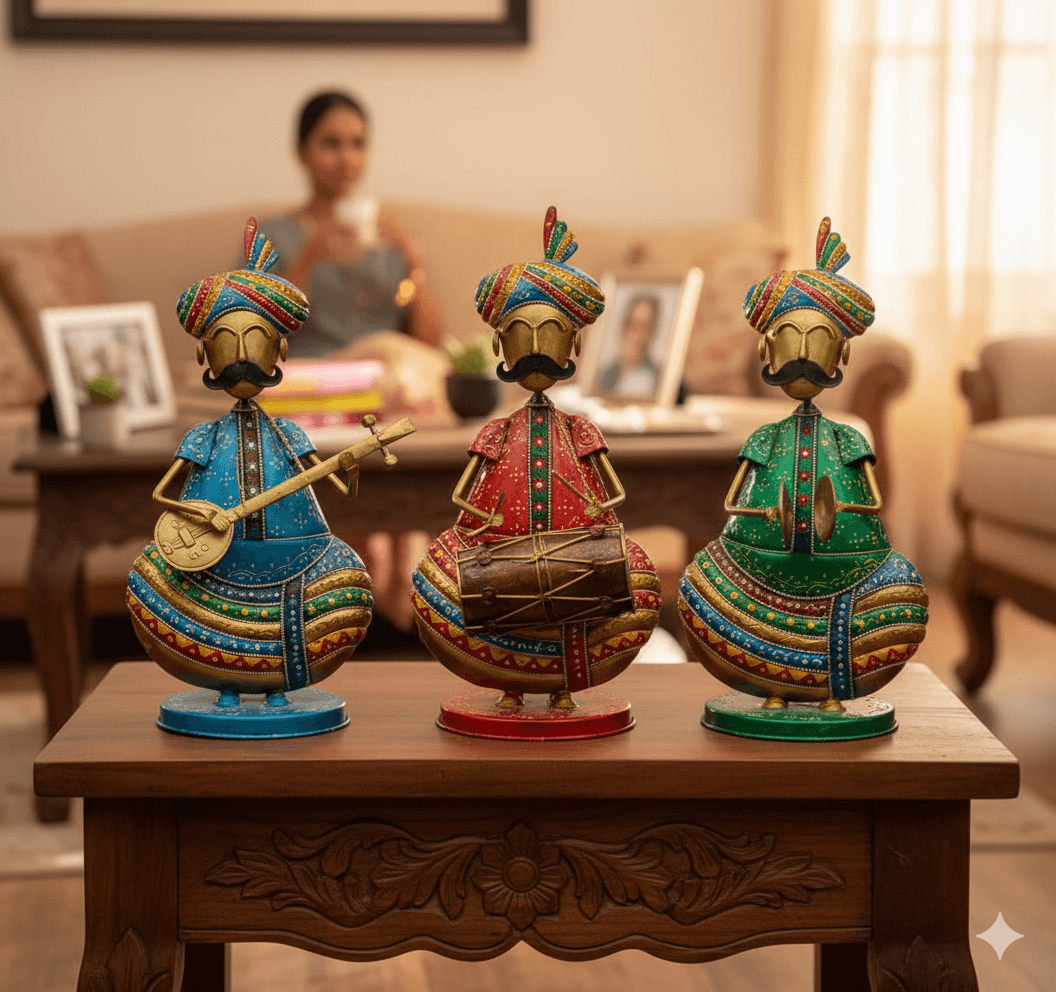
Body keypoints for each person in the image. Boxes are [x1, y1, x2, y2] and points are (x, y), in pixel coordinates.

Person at [411, 208, 661, 712]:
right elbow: (463, 496)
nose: (535, 350)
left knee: (638, 573)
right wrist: (478, 529)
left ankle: (563, 684)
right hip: (499, 554)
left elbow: (613, 493)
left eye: (549, 334)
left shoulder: (579, 429)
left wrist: (596, 523)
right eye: (523, 335)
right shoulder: (498, 431)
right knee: (433, 572)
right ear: (502, 345)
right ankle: (510, 681)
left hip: (577, 556)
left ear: (574, 343)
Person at [678, 218, 928, 710]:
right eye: (791, 341)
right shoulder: (765, 438)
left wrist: (834, 515)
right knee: (699, 581)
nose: (804, 357)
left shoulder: (849, 436)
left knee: (903, 588)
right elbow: (733, 504)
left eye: (819, 343)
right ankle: (772, 686)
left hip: (848, 575)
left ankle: (831, 688)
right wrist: (768, 516)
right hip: (758, 570)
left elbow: (871, 503)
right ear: (769, 353)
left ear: (842, 353)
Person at [261, 90, 443, 356]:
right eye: (331, 144)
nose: (348, 159)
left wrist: (413, 262)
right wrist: (306, 261)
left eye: (358, 144)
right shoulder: (273, 237)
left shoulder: (391, 238)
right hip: (311, 380)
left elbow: (429, 343)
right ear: (301, 152)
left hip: (383, 379)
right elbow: (256, 339)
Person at [596, 293, 661, 399]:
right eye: (632, 324)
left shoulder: (659, 377)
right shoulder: (605, 373)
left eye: (644, 327)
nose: (636, 333)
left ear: (652, 331)